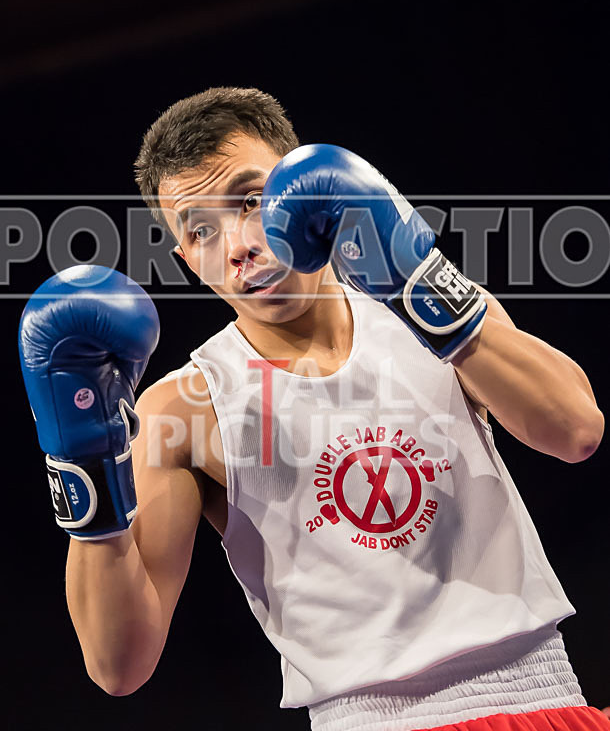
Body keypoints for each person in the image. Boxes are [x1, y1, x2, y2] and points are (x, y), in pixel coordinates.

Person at [19, 87, 608, 731]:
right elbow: (118, 666)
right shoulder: (184, 410)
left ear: (300, 188)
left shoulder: (425, 310)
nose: (238, 245)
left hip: (546, 696)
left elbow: (575, 429)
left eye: (249, 200)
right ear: (186, 259)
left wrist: (422, 278)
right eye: (201, 230)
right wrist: (80, 453)